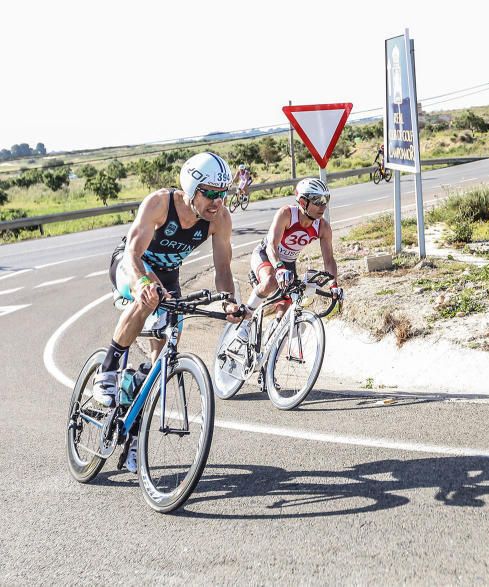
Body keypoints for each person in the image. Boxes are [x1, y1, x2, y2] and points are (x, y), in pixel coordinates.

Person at [93, 152, 243, 468]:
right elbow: (134, 253)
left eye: (222, 193)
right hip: (131, 264)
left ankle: (133, 424)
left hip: (167, 277)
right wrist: (142, 284)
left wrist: (228, 300)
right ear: (191, 188)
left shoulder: (220, 219)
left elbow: (223, 268)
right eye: (210, 193)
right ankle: (108, 368)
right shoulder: (161, 204)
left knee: (162, 359)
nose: (217, 201)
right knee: (147, 300)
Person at [228, 177, 339, 351]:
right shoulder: (287, 214)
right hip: (266, 255)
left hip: (288, 263)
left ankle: (272, 339)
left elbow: (329, 260)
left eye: (326, 200)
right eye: (318, 201)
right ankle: (245, 322)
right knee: (271, 281)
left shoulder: (323, 227)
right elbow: (272, 244)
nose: (323, 206)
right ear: (303, 201)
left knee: (290, 301)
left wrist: (334, 285)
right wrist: (278, 268)